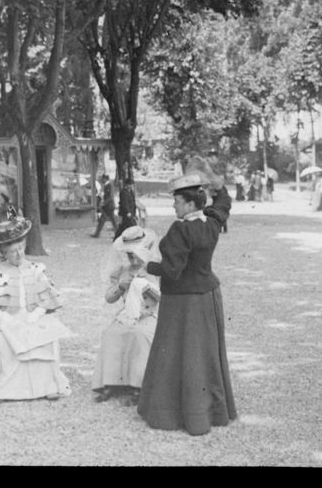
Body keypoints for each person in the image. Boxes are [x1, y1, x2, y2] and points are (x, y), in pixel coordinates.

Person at [136, 172, 236, 436]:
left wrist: (146, 264)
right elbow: (224, 201)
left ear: (191, 204)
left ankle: (173, 412)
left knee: (181, 354)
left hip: (183, 301)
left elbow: (172, 270)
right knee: (203, 354)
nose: (174, 206)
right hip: (208, 295)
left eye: (178, 201)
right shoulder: (212, 221)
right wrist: (217, 183)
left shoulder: (181, 229)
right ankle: (208, 410)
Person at [0, 215, 72, 400]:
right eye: (12, 251)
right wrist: (4, 318)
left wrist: (36, 314)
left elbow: (48, 297)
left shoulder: (35, 269)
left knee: (48, 335)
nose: (19, 254)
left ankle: (47, 386)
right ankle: (10, 391)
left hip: (32, 316)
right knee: (6, 339)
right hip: (5, 319)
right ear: (4, 252)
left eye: (20, 248)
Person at [92, 226, 160, 406]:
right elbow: (109, 298)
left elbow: (160, 299)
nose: (134, 259)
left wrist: (145, 286)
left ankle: (139, 385)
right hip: (127, 314)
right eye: (130, 255)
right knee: (111, 333)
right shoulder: (123, 271)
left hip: (149, 314)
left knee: (140, 335)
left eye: (137, 255)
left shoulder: (153, 270)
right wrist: (121, 286)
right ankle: (110, 382)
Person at [91, 173, 118, 238]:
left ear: (105, 179)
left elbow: (110, 197)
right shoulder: (107, 185)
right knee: (103, 220)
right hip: (108, 206)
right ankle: (97, 234)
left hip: (109, 206)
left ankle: (97, 234)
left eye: (102, 179)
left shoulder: (109, 185)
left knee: (111, 221)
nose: (101, 180)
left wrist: (104, 203)